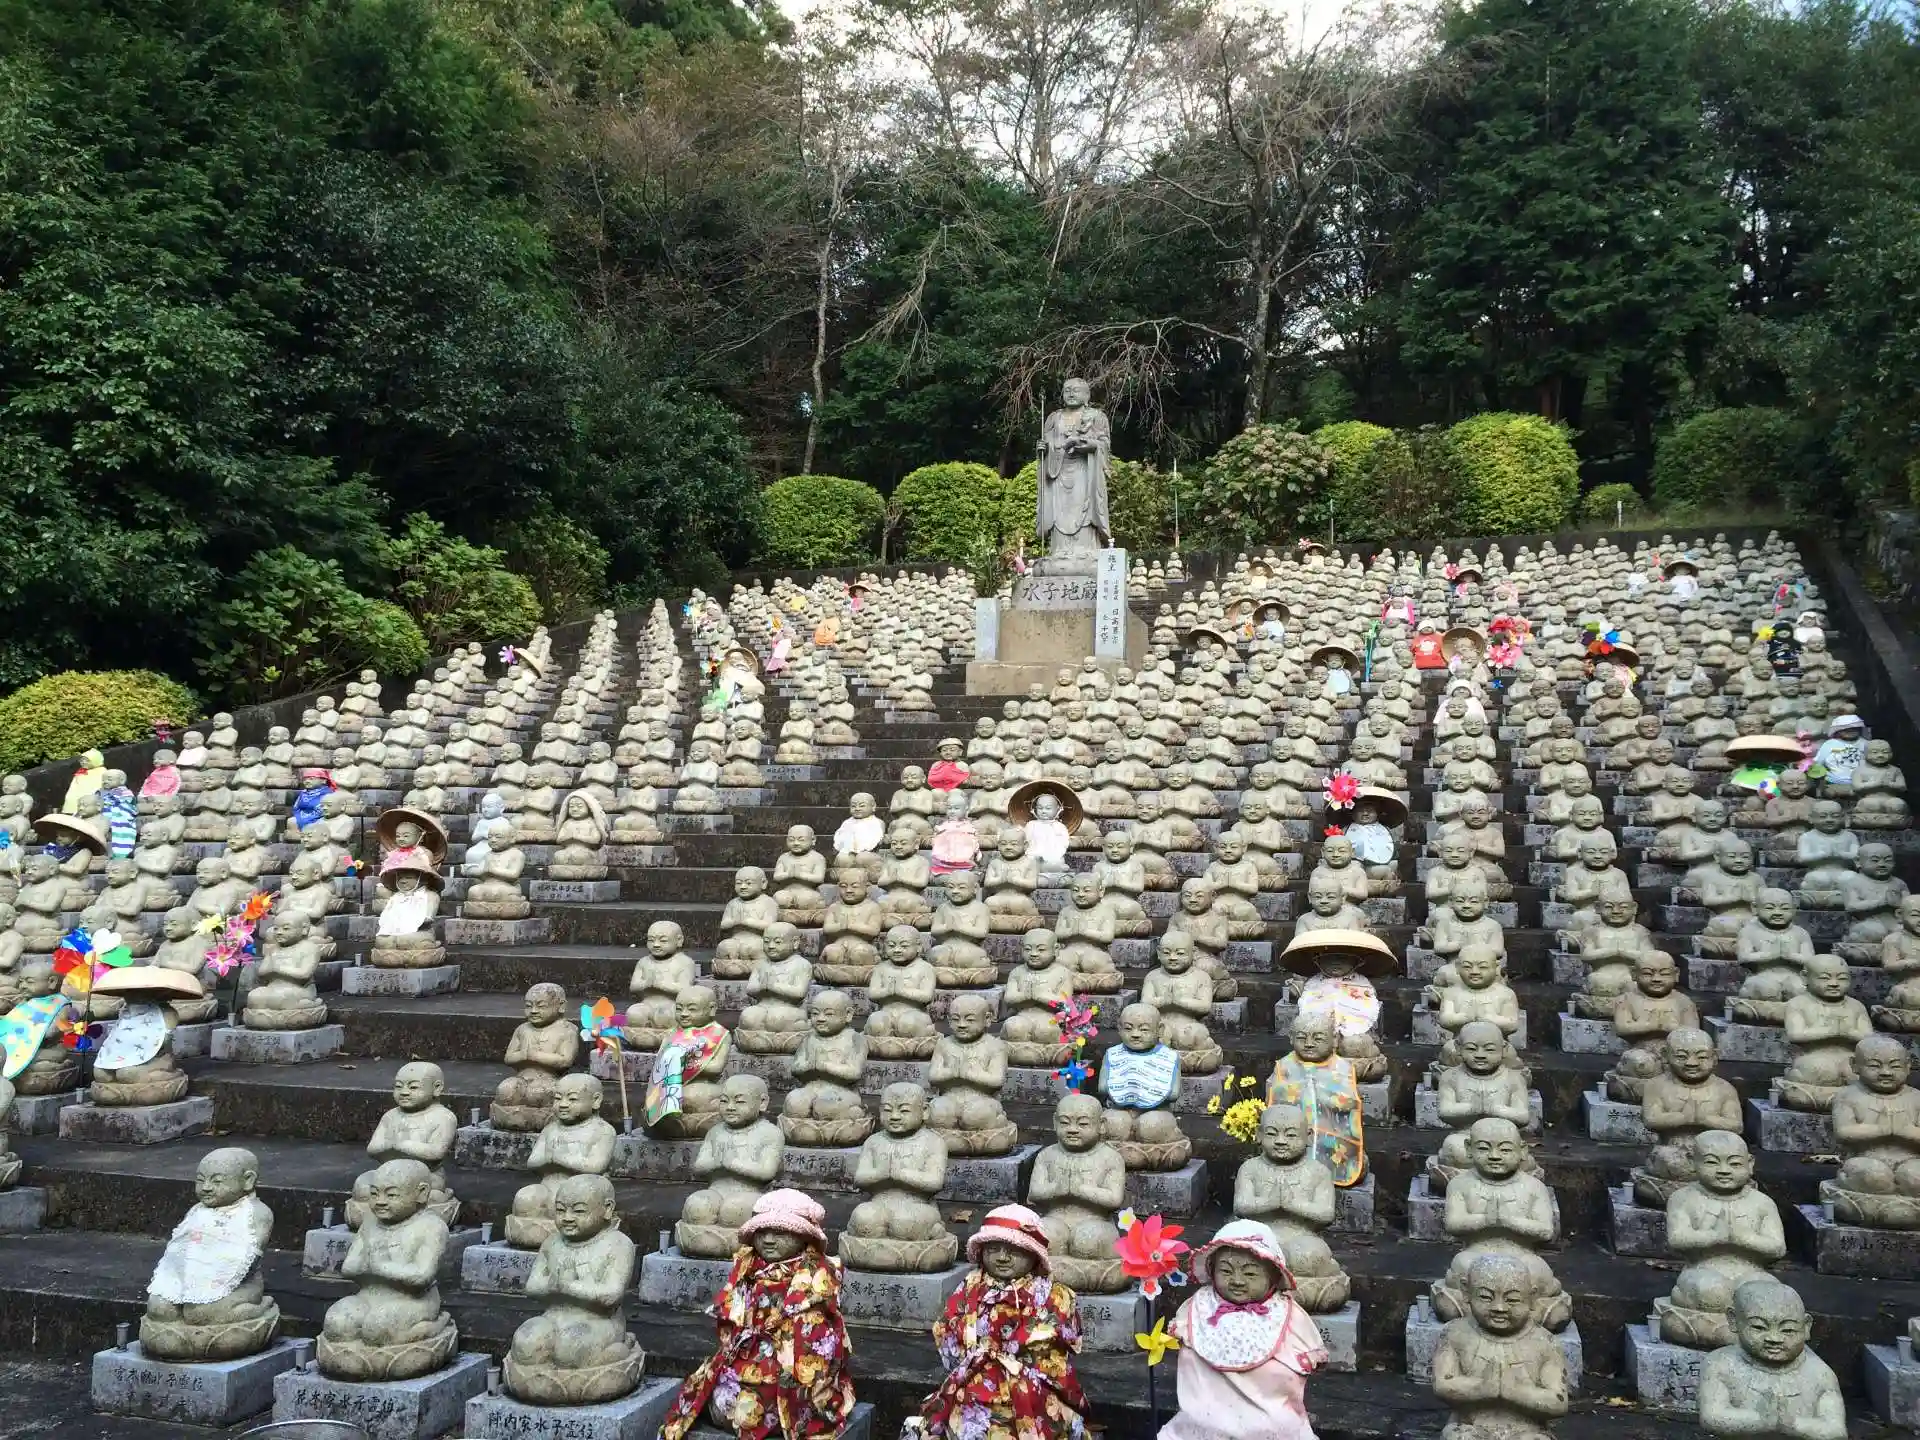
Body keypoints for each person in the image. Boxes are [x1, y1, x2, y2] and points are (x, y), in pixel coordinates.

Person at [662, 1189, 856, 1440]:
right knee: (718, 1393)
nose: (769, 1240)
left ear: (804, 1237)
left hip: (796, 1360)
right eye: (762, 1232)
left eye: (781, 1233)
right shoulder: (749, 1266)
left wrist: (783, 1342)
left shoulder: (819, 1273)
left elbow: (819, 1336)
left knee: (771, 1403)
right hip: (749, 1352)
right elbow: (732, 1319)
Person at [917, 1205, 1089, 1440]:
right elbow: (947, 1327)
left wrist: (1014, 1358)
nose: (1002, 1257)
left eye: (1013, 1251)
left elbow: (1059, 1340)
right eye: (993, 1249)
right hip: (975, 1377)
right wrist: (976, 1355)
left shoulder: (1053, 1294)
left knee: (1040, 1415)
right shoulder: (970, 1286)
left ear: (1034, 1254)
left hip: (1031, 1381)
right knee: (964, 1415)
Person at [1160, 1219, 1327, 1440]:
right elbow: (1179, 1334)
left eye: (1250, 1274)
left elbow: (1310, 1356)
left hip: (1269, 1418)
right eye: (1226, 1271)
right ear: (1212, 1270)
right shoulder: (1200, 1305)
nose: (1237, 1281)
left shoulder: (1285, 1311)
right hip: (1205, 1416)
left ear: (1273, 1276)